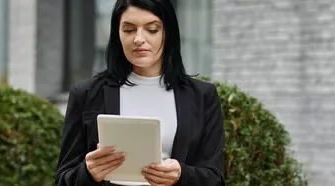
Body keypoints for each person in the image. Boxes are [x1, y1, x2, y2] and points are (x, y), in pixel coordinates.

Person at [54, 0, 225, 185]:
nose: (138, 39)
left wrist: (181, 175)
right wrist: (87, 173)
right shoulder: (86, 94)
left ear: (168, 34)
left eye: (152, 29)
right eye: (128, 30)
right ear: (117, 34)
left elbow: (215, 179)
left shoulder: (202, 96)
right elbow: (63, 180)